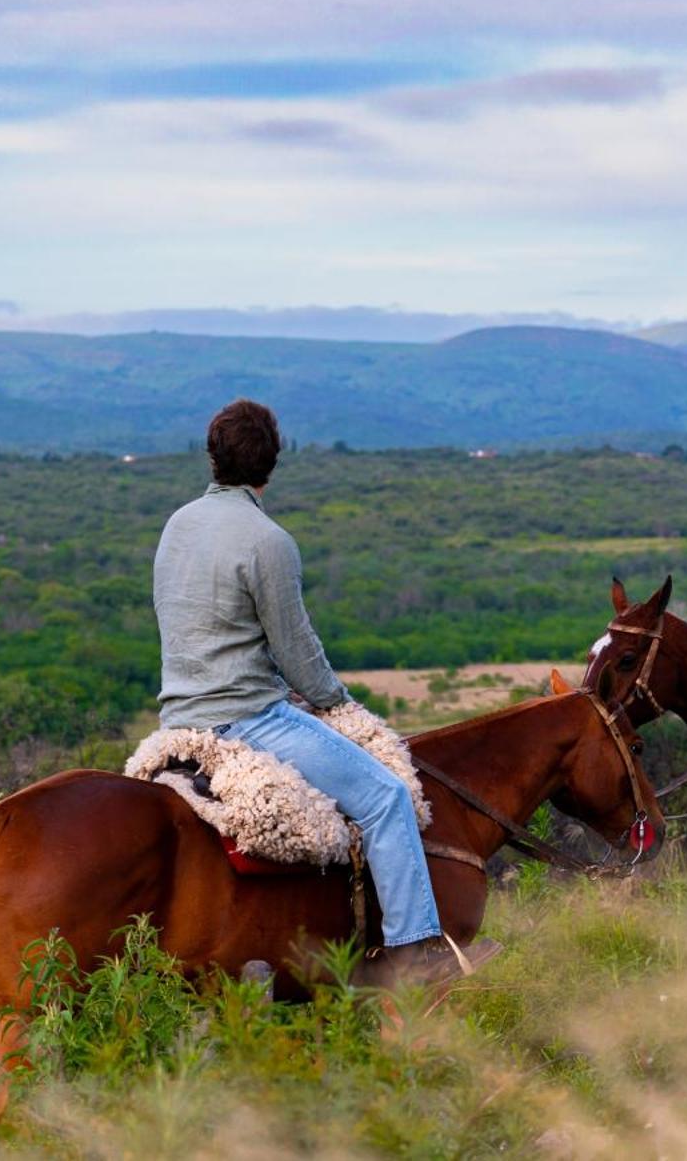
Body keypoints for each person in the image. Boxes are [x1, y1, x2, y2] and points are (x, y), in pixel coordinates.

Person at [152, 399, 493, 986]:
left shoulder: (178, 524)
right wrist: (335, 700)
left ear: (213, 457)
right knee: (386, 797)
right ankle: (415, 953)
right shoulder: (268, 541)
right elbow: (297, 650)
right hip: (247, 718)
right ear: (272, 463)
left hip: (178, 717)